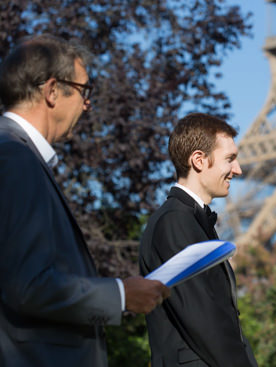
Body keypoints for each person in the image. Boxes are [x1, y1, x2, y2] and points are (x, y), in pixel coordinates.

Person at [0, 34, 170, 367]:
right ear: (51, 91)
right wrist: (121, 295)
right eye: (83, 91)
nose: (87, 104)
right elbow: (27, 285)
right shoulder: (16, 158)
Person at [139, 113, 258, 367]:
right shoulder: (175, 221)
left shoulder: (190, 220)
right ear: (199, 160)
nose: (238, 170)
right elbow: (203, 318)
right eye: (230, 159)